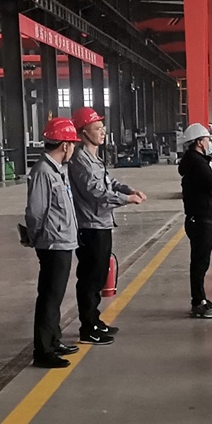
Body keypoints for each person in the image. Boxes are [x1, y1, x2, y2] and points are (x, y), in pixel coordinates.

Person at [69, 107, 145, 345]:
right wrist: (126, 199)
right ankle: (87, 327)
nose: (103, 132)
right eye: (97, 128)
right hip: (90, 226)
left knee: (100, 275)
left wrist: (127, 189)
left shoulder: (93, 157)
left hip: (101, 222)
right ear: (83, 132)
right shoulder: (80, 160)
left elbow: (107, 181)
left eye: (102, 128)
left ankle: (94, 320)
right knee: (90, 278)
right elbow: (95, 191)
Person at [25, 118, 82, 368]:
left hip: (63, 241)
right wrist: (37, 238)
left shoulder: (58, 169)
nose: (73, 149)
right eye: (72, 144)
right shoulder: (43, 172)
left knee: (55, 296)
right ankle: (43, 351)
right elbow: (36, 212)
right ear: (64, 145)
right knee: (49, 297)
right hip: (52, 244)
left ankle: (54, 340)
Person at [179, 123, 212, 319]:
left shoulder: (195, 162)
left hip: (201, 217)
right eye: (208, 139)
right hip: (201, 219)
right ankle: (198, 302)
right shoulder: (197, 163)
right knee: (200, 263)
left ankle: (200, 298)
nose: (210, 143)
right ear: (199, 142)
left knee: (201, 261)